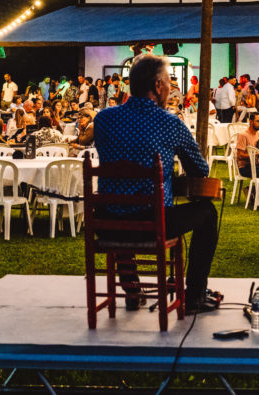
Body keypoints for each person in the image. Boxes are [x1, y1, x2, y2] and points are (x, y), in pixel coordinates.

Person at [93, 54, 219, 313]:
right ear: (158, 86)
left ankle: (132, 289)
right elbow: (200, 169)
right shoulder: (171, 123)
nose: (171, 90)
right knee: (207, 213)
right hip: (151, 225)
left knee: (123, 204)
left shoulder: (103, 119)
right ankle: (195, 295)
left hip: (107, 224)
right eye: (169, 83)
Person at [235, 112, 259, 177]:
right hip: (245, 167)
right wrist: (255, 154)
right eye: (258, 121)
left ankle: (257, 187)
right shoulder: (243, 135)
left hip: (255, 165)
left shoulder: (257, 134)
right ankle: (257, 187)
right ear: (251, 122)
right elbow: (240, 155)